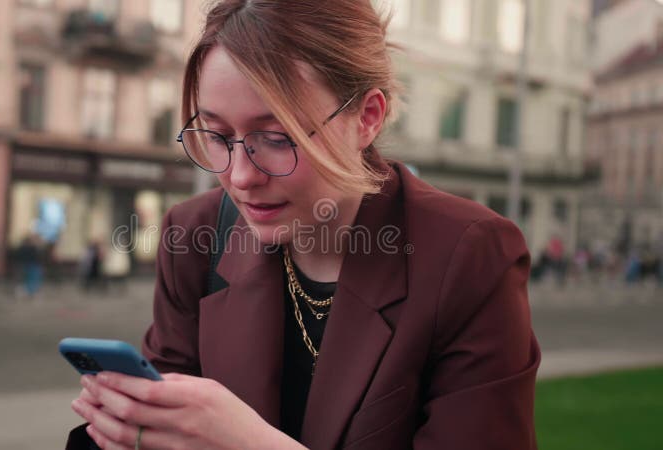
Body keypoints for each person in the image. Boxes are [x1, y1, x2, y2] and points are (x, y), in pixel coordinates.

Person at [67, 1, 540, 449]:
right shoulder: (192, 236)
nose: (239, 175)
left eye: (276, 138)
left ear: (367, 118)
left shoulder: (470, 256)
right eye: (216, 134)